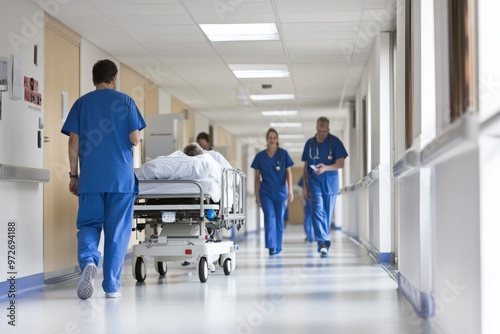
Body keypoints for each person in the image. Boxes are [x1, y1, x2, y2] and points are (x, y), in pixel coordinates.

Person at [61, 59, 146, 299]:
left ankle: (88, 261)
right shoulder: (126, 102)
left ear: (93, 79)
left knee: (89, 224)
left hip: (91, 180)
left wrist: (73, 175)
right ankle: (111, 287)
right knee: (117, 232)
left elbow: (73, 142)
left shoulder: (81, 104)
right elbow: (135, 139)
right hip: (120, 180)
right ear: (114, 78)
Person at [301, 116, 348, 257]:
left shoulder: (335, 142)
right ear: (316, 129)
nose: (322, 134)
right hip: (314, 181)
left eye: (324, 131)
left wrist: (326, 168)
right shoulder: (309, 144)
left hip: (331, 183)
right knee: (317, 209)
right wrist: (305, 187)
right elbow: (305, 167)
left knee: (326, 215)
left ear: (328, 129)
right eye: (319, 131)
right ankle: (322, 242)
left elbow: (341, 163)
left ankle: (324, 242)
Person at [251, 128, 294, 255]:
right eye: (270, 137)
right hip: (265, 192)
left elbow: (288, 173)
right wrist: (257, 195)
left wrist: (290, 190)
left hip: (281, 192)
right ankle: (271, 245)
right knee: (270, 217)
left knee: (279, 219)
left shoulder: (284, 154)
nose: (272, 140)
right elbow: (256, 177)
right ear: (266, 139)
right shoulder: (260, 156)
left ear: (277, 139)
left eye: (274, 137)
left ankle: (278, 245)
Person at [298, 177, 314, 242]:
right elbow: (303, 188)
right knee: (307, 217)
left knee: (314, 218)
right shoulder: (305, 177)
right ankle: (308, 235)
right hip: (307, 199)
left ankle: (313, 235)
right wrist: (303, 198)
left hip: (315, 198)